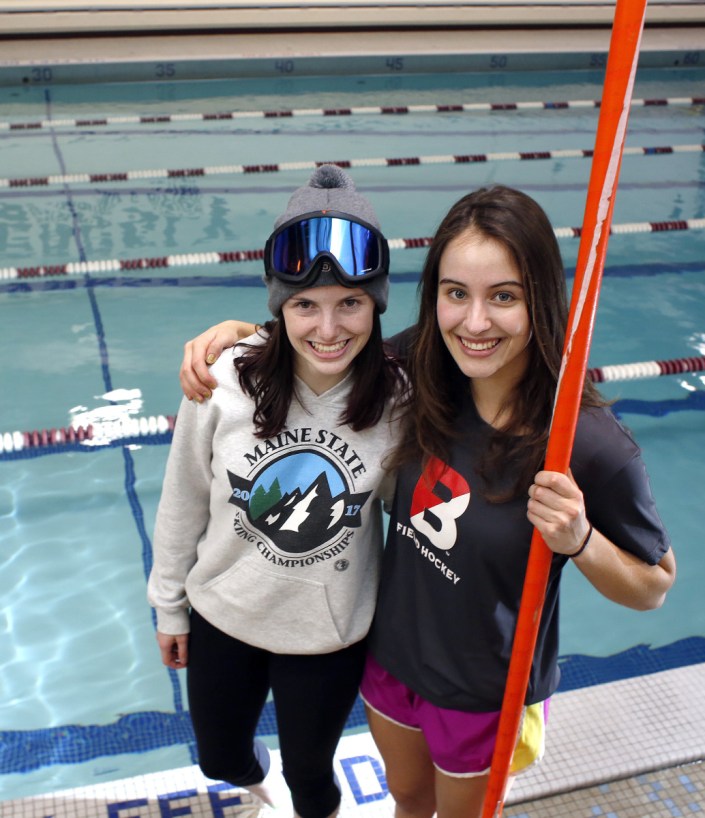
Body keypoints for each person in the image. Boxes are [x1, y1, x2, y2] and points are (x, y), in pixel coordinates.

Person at [178, 184, 677, 818]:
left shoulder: (588, 445)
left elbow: (654, 586)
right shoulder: (421, 368)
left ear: (541, 300)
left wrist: (580, 539)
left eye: (504, 296)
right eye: (455, 294)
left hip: (483, 690)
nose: (474, 323)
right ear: (433, 296)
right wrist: (246, 334)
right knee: (408, 800)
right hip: (389, 662)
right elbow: (327, 342)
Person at [148, 165, 405, 818]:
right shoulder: (226, 377)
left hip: (328, 637)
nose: (328, 328)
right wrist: (168, 607)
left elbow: (417, 525)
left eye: (350, 301)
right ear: (278, 305)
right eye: (304, 305)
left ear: (377, 302)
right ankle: (252, 781)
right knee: (220, 759)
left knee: (314, 779)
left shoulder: (401, 400)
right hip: (223, 616)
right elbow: (182, 499)